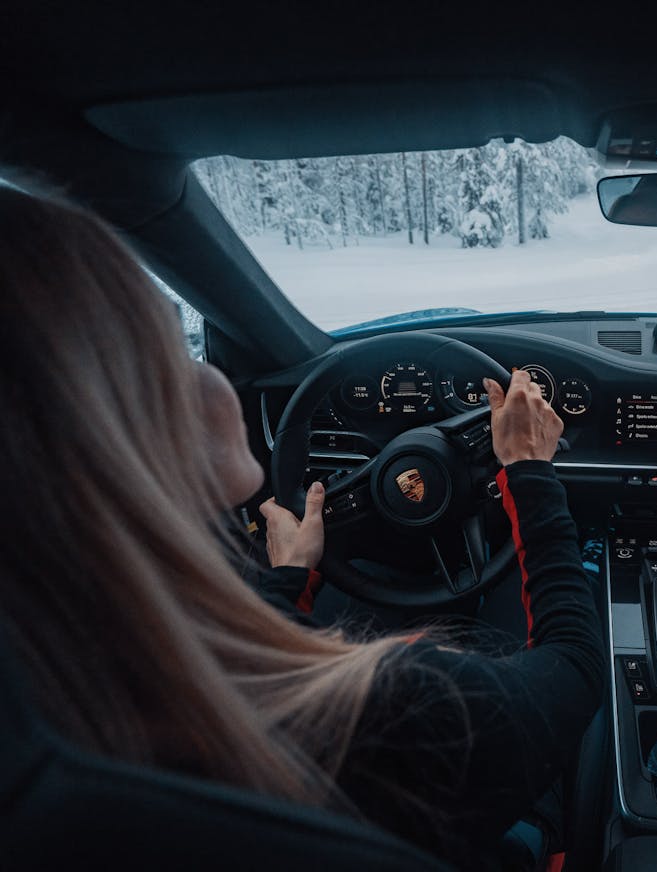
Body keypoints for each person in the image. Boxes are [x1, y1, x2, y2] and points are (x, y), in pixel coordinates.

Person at [0, 183, 602, 869]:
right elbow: (578, 670)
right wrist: (527, 470)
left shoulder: (63, 717)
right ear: (102, 436)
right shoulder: (412, 714)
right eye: (170, 353)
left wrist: (284, 581)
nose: (208, 375)